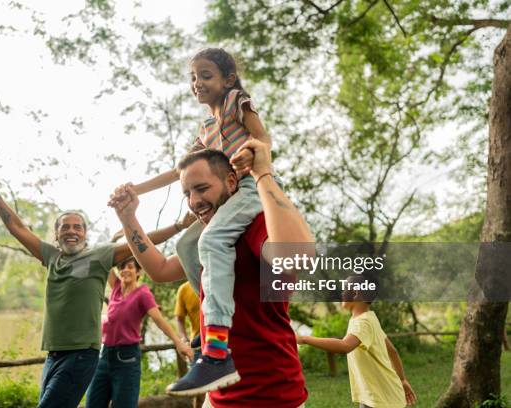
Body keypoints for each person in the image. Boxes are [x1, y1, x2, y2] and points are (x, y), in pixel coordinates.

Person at [109, 47, 278, 395]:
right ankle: (216, 301)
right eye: (192, 77)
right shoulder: (205, 127)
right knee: (188, 243)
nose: (197, 83)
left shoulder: (236, 100)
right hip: (232, 193)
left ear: (227, 78)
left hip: (248, 186)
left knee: (209, 239)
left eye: (205, 75)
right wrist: (134, 189)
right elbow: (178, 170)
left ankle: (217, 351)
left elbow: (263, 138)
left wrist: (253, 153)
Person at [110, 141, 313, 407]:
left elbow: (295, 257)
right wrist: (128, 219)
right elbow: (160, 269)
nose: (194, 201)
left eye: (202, 188)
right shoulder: (206, 242)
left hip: (268, 395)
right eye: (187, 193)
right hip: (217, 394)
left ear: (231, 182)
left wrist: (262, 174)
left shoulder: (256, 226)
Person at [0, 158, 191, 408]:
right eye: (65, 227)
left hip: (81, 354)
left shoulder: (98, 256)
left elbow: (141, 240)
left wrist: (178, 225)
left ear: (85, 234)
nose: (72, 231)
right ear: (56, 235)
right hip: (53, 354)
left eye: (78, 227)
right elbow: (16, 227)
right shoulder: (51, 256)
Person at [85, 257, 193, 408]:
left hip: (126, 359)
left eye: (130, 267)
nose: (125, 270)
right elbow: (106, 260)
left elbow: (159, 320)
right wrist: (116, 239)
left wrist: (178, 342)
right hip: (104, 357)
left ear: (139, 272)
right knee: (93, 403)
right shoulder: (116, 286)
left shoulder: (142, 293)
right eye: (122, 267)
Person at [297, 274, 417, 408]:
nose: (341, 293)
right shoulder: (370, 318)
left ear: (354, 293)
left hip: (380, 398)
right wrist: (402, 380)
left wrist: (304, 339)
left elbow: (345, 346)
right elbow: (393, 351)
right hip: (380, 394)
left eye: (344, 290)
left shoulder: (363, 323)